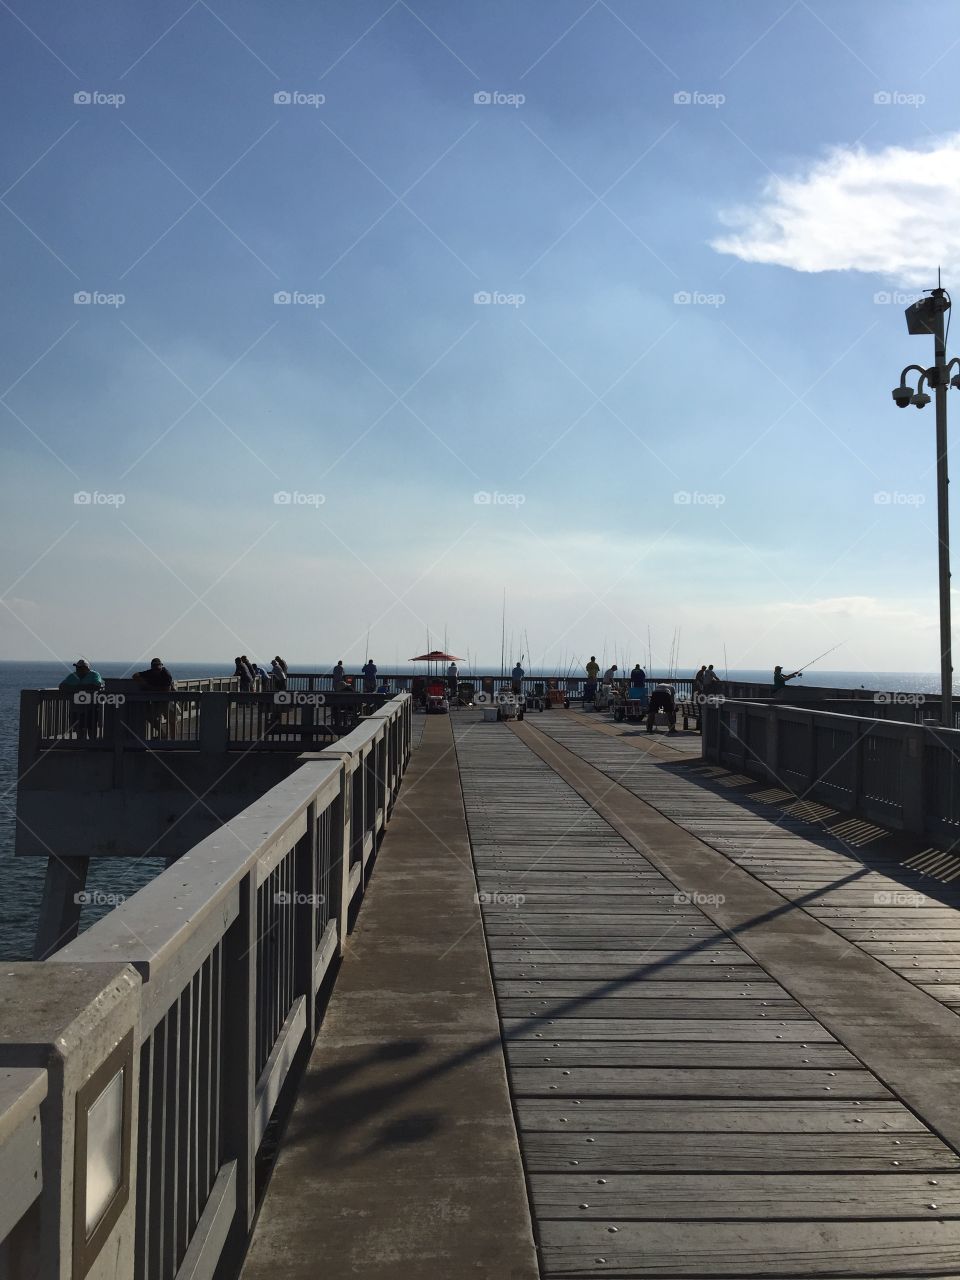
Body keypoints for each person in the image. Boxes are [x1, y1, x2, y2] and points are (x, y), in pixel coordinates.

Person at [59, 658, 104, 741]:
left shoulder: (94, 675)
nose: (78, 669)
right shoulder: (73, 676)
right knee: (78, 729)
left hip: (91, 708)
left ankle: (91, 747)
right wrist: (83, 688)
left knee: (91, 729)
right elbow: (61, 686)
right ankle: (81, 746)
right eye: (77, 667)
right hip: (75, 708)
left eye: (81, 668)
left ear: (87, 668)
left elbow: (96, 685)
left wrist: (75, 688)